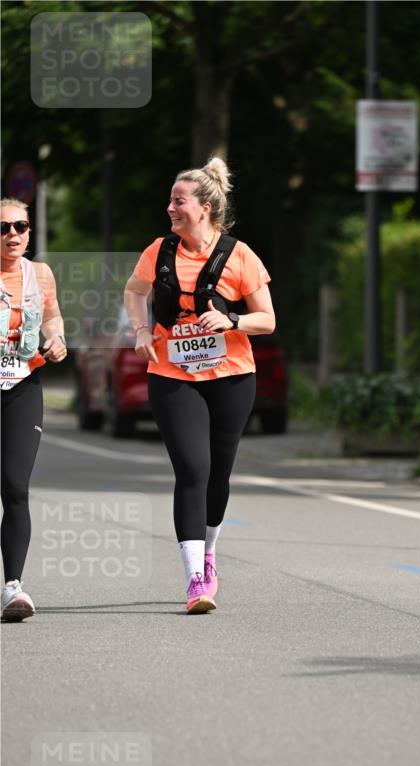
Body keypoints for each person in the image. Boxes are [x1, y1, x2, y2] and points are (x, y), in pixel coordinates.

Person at [124, 157, 275, 614]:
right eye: (170, 200)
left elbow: (267, 320)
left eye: (178, 201)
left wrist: (230, 319)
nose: (170, 207)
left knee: (219, 473)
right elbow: (135, 292)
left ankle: (209, 554)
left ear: (205, 207)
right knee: (192, 469)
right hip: (173, 375)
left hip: (231, 375)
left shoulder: (239, 255)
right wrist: (141, 330)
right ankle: (194, 579)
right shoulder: (158, 252)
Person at [1, 197, 67, 622]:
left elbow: (53, 317)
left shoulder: (39, 273)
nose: (12, 235)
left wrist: (57, 339)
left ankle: (13, 589)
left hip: (23, 386)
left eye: (20, 227)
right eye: (3, 228)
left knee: (15, 486)